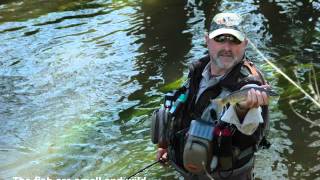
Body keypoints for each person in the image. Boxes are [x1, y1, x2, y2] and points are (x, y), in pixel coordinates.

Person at [151, 12, 271, 180]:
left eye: (234, 40)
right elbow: (185, 112)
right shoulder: (199, 70)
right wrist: (167, 146)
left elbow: (249, 133)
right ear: (207, 40)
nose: (227, 48)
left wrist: (243, 109)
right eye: (220, 39)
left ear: (245, 43)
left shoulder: (252, 85)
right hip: (190, 168)